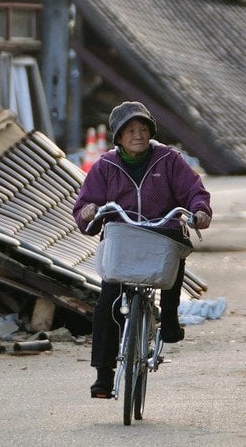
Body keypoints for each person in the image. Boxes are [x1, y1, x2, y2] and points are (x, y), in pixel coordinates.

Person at [72, 101, 213, 399]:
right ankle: (103, 376)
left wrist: (199, 210)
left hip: (162, 231)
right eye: (131, 131)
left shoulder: (169, 160)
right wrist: (87, 212)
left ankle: (170, 318)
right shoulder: (106, 167)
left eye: (143, 129)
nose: (138, 135)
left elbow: (193, 190)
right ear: (119, 138)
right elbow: (85, 203)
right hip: (122, 237)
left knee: (176, 255)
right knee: (107, 303)